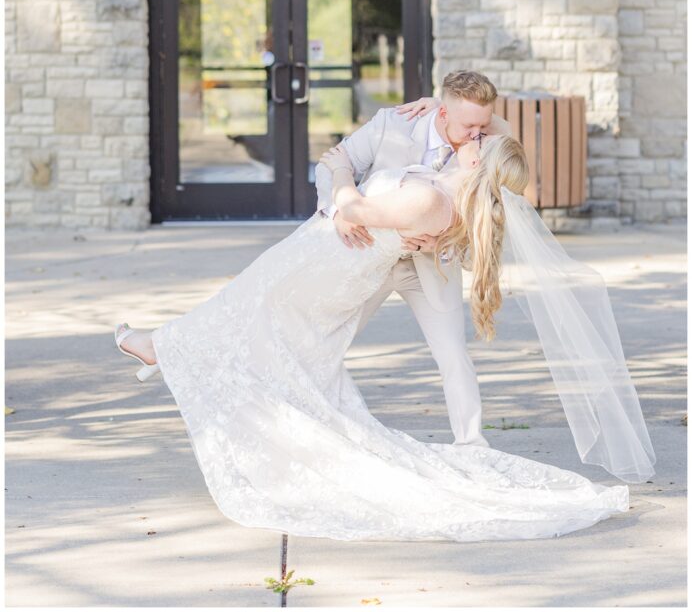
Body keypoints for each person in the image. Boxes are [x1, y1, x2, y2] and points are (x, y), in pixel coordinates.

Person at [113, 131, 647, 543]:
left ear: (479, 165)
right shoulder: (443, 196)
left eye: (479, 142)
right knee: (249, 321)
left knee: (246, 315)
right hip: (324, 260)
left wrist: (348, 189)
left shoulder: (431, 203)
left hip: (323, 265)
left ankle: (159, 348)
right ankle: (168, 354)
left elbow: (353, 210)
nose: (472, 139)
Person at [314, 69, 512, 447]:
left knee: (454, 354)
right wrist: (336, 212)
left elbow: (501, 144)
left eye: (482, 126)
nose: (477, 135)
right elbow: (333, 165)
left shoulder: (482, 144)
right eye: (468, 125)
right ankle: (321, 431)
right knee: (331, 341)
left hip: (433, 264)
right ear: (441, 116)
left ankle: (472, 446)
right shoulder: (391, 124)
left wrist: (437, 244)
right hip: (371, 254)